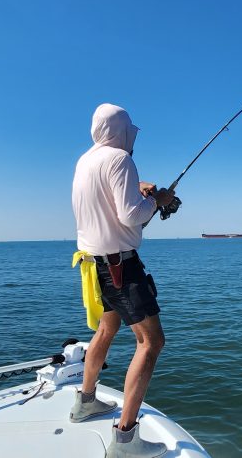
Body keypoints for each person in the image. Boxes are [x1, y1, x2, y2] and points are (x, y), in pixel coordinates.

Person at [70, 103, 175, 458]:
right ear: (123, 131)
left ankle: (86, 402)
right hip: (121, 268)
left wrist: (141, 191)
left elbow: (110, 205)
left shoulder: (85, 161)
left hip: (95, 266)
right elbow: (130, 215)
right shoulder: (119, 159)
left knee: (105, 329)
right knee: (151, 342)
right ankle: (126, 440)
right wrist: (158, 199)